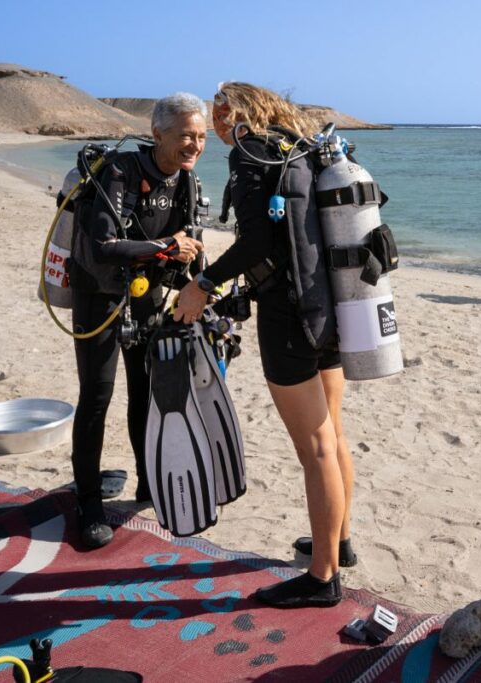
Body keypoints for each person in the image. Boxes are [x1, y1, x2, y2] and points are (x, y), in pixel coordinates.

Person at [175, 82, 355, 608]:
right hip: (332, 309)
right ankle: (340, 541)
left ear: (234, 110)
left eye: (217, 112)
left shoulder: (252, 152)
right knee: (334, 435)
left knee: (315, 448)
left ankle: (323, 578)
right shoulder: (298, 146)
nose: (214, 123)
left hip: (288, 316)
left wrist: (202, 285)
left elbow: (255, 243)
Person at [70, 93, 207, 548]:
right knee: (97, 396)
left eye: (202, 136)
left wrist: (205, 284)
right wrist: (167, 246)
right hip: (102, 296)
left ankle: (149, 483)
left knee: (145, 395)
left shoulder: (186, 182)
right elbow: (104, 245)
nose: (195, 145)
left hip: (146, 298)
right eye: (186, 135)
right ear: (158, 134)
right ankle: (88, 503)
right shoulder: (122, 171)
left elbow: (188, 256)